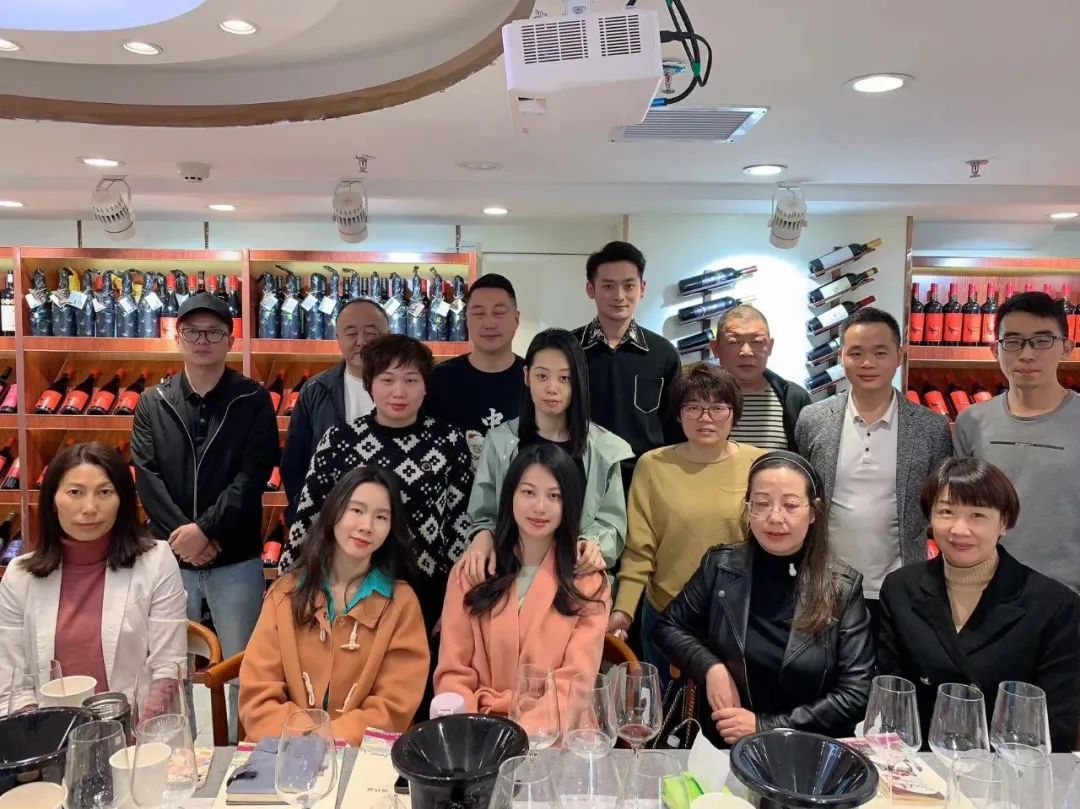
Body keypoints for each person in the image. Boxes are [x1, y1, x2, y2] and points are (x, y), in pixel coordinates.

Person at [131, 292, 278, 738]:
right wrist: (185, 536)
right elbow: (147, 477)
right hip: (169, 560)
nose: (202, 340)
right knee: (169, 668)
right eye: (193, 332)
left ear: (230, 341)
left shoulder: (252, 399)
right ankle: (178, 752)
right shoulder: (153, 401)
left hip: (236, 557)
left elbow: (253, 475)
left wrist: (208, 530)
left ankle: (238, 753)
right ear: (177, 338)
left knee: (243, 666)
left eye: (213, 332)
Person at [656, 451, 874, 747]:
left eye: (790, 505)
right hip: (725, 744)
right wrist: (710, 667)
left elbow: (855, 694)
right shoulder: (721, 566)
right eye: (761, 503)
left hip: (806, 747)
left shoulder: (842, 587)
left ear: (813, 512)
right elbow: (668, 627)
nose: (774, 517)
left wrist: (764, 726)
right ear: (748, 508)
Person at [877, 457, 1080, 752]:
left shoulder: (1054, 605)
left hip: (1007, 767)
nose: (960, 529)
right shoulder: (900, 589)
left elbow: (1056, 726)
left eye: (977, 515)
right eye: (946, 512)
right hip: (922, 763)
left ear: (1004, 522)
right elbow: (892, 701)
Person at [279, 333, 474, 635]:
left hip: (425, 592)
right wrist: (287, 585)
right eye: (387, 380)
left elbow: (460, 526)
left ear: (426, 386)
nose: (399, 392)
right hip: (347, 590)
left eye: (411, 380)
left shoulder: (448, 441)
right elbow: (309, 517)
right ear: (369, 384)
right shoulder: (339, 441)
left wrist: (456, 600)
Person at [240, 467, 429, 744]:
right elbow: (258, 697)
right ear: (334, 512)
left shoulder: (401, 603)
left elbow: (393, 707)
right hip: (285, 749)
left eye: (381, 517)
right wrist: (307, 738)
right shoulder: (285, 593)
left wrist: (331, 739)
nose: (367, 526)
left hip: (362, 754)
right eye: (357, 510)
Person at [795, 307, 952, 628]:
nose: (868, 363)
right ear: (841, 357)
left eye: (880, 353)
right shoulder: (813, 419)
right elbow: (802, 495)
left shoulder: (930, 428)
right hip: (825, 583)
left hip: (901, 584)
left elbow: (938, 504)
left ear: (899, 356)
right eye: (856, 353)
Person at [607, 364, 765, 684]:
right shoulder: (653, 465)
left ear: (734, 413)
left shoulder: (758, 464)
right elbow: (639, 550)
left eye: (718, 408)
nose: (705, 418)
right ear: (678, 415)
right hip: (667, 616)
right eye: (693, 407)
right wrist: (623, 610)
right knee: (666, 708)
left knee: (732, 709)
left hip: (737, 618)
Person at [0, 443, 186, 712]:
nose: (89, 508)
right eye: (75, 492)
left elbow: (167, 668)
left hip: (135, 728)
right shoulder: (19, 576)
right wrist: (41, 730)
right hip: (51, 728)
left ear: (122, 500)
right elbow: (12, 683)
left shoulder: (157, 561)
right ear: (52, 500)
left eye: (104, 492)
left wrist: (134, 730)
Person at [435, 444, 610, 719]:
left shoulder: (588, 582)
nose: (539, 507)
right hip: (478, 725)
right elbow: (453, 674)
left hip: (557, 730)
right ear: (510, 496)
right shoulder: (472, 570)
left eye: (554, 496)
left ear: (569, 504)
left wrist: (521, 734)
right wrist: (472, 731)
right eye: (528, 492)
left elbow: (574, 686)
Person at [455, 328, 631, 584]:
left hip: (575, 579)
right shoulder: (500, 442)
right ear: (526, 376)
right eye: (542, 376)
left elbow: (611, 522)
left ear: (578, 381)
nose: (552, 388)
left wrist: (593, 543)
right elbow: (485, 514)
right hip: (509, 576)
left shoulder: (604, 449)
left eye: (565, 378)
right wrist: (483, 535)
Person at [954, 291, 1080, 592]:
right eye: (1013, 342)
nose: (1026, 354)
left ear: (1066, 347)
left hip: (1067, 592)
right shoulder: (971, 422)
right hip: (983, 588)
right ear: (994, 349)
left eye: (1042, 340)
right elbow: (960, 508)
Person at [572, 241, 681, 490]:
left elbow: (674, 427)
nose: (619, 296)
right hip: (580, 478)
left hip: (645, 481)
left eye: (629, 285)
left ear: (642, 289)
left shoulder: (663, 353)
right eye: (608, 286)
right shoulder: (569, 349)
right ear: (591, 289)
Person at [281, 298, 390, 523]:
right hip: (329, 520)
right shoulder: (316, 390)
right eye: (351, 333)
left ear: (388, 337)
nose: (361, 341)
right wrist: (307, 517)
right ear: (338, 338)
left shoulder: (407, 391)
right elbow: (295, 463)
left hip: (392, 517)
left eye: (371, 333)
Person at [425, 274, 525, 470]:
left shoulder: (534, 379)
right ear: (466, 319)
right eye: (479, 314)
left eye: (499, 313)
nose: (489, 323)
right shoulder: (437, 380)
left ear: (516, 318)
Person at [711, 304, 811, 451]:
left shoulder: (794, 398)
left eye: (757, 342)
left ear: (770, 347)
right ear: (716, 348)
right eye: (734, 342)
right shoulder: (694, 399)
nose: (746, 352)